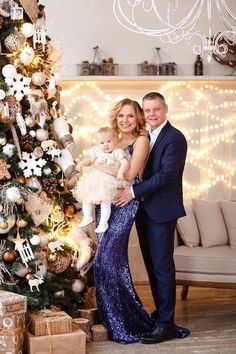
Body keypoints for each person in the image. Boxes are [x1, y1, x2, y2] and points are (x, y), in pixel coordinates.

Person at [93, 97, 189, 344]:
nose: (152, 113)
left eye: (156, 109)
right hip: (145, 210)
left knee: (162, 266)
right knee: (152, 265)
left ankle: (166, 324)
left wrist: (133, 192)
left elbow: (167, 175)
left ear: (165, 109)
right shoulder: (146, 135)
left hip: (162, 209)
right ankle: (160, 315)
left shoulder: (174, 137)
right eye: (148, 110)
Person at [73, 126, 130, 233]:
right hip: (94, 180)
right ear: (98, 143)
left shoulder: (117, 152)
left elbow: (125, 163)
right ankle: (87, 216)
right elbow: (89, 160)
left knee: (105, 201)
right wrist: (81, 164)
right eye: (102, 143)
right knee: (87, 198)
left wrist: (121, 172)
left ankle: (104, 222)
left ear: (115, 140)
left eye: (109, 141)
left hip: (108, 182)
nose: (106, 145)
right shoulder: (96, 151)